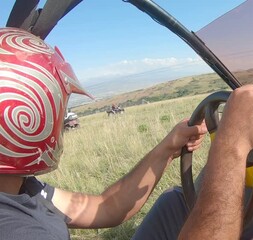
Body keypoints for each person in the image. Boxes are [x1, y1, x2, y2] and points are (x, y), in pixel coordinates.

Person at [0, 27, 208, 239]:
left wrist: (168, 148)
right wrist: (231, 150)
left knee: (173, 203)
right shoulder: (13, 229)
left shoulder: (23, 187)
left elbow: (107, 207)